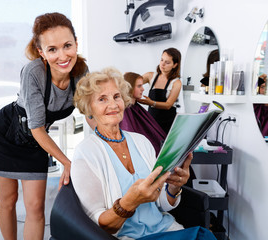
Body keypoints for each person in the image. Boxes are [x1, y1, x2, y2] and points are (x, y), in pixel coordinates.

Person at [0, 12, 88, 240]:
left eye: (67, 45)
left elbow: (90, 112)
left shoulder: (81, 72)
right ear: (41, 52)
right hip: (5, 134)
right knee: (8, 200)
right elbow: (36, 127)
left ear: (76, 43)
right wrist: (67, 162)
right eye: (52, 49)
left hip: (35, 141)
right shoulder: (34, 72)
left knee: (36, 208)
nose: (62, 55)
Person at [71, 67, 216, 240]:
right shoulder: (86, 152)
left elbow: (161, 204)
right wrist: (130, 202)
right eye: (102, 99)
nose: (113, 105)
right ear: (89, 108)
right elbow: (100, 224)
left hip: (166, 229)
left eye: (117, 96)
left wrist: (174, 186)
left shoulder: (142, 142)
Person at [120, 72, 166, 156]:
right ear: (129, 87)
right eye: (139, 86)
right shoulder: (125, 111)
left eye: (142, 85)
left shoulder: (136, 108)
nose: (143, 89)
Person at [139, 48, 182, 135]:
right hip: (151, 121)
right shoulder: (150, 76)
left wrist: (151, 103)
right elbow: (133, 84)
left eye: (167, 62)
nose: (162, 64)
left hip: (168, 123)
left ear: (175, 65)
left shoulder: (176, 83)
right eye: (162, 60)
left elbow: (168, 105)